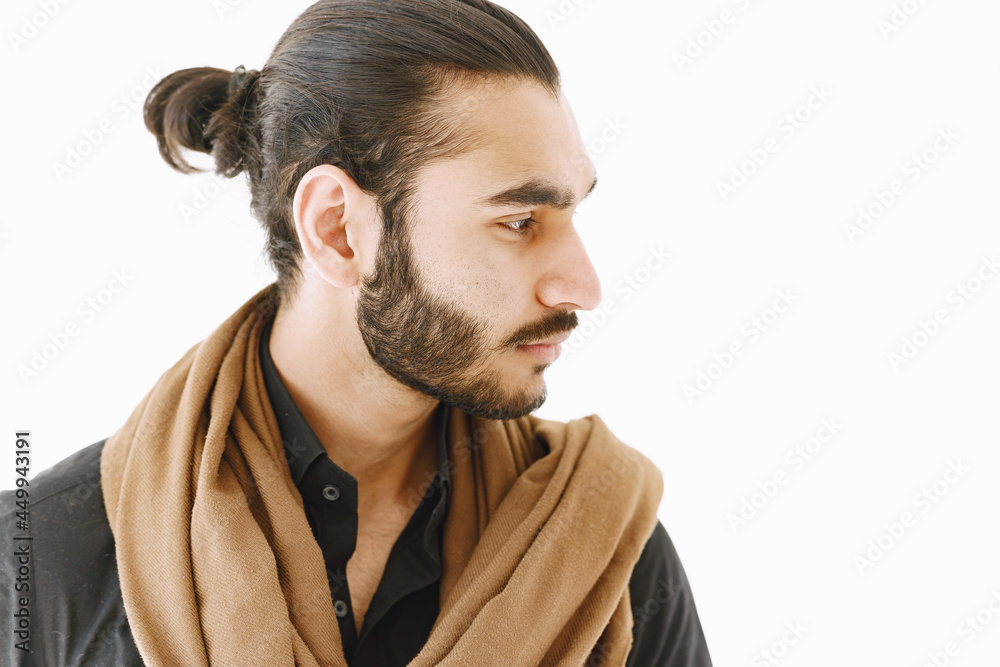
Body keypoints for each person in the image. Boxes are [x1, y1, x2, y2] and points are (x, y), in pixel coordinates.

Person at [0, 0, 712, 665]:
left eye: (571, 217)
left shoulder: (607, 553)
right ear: (338, 229)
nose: (582, 285)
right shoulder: (45, 568)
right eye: (519, 221)